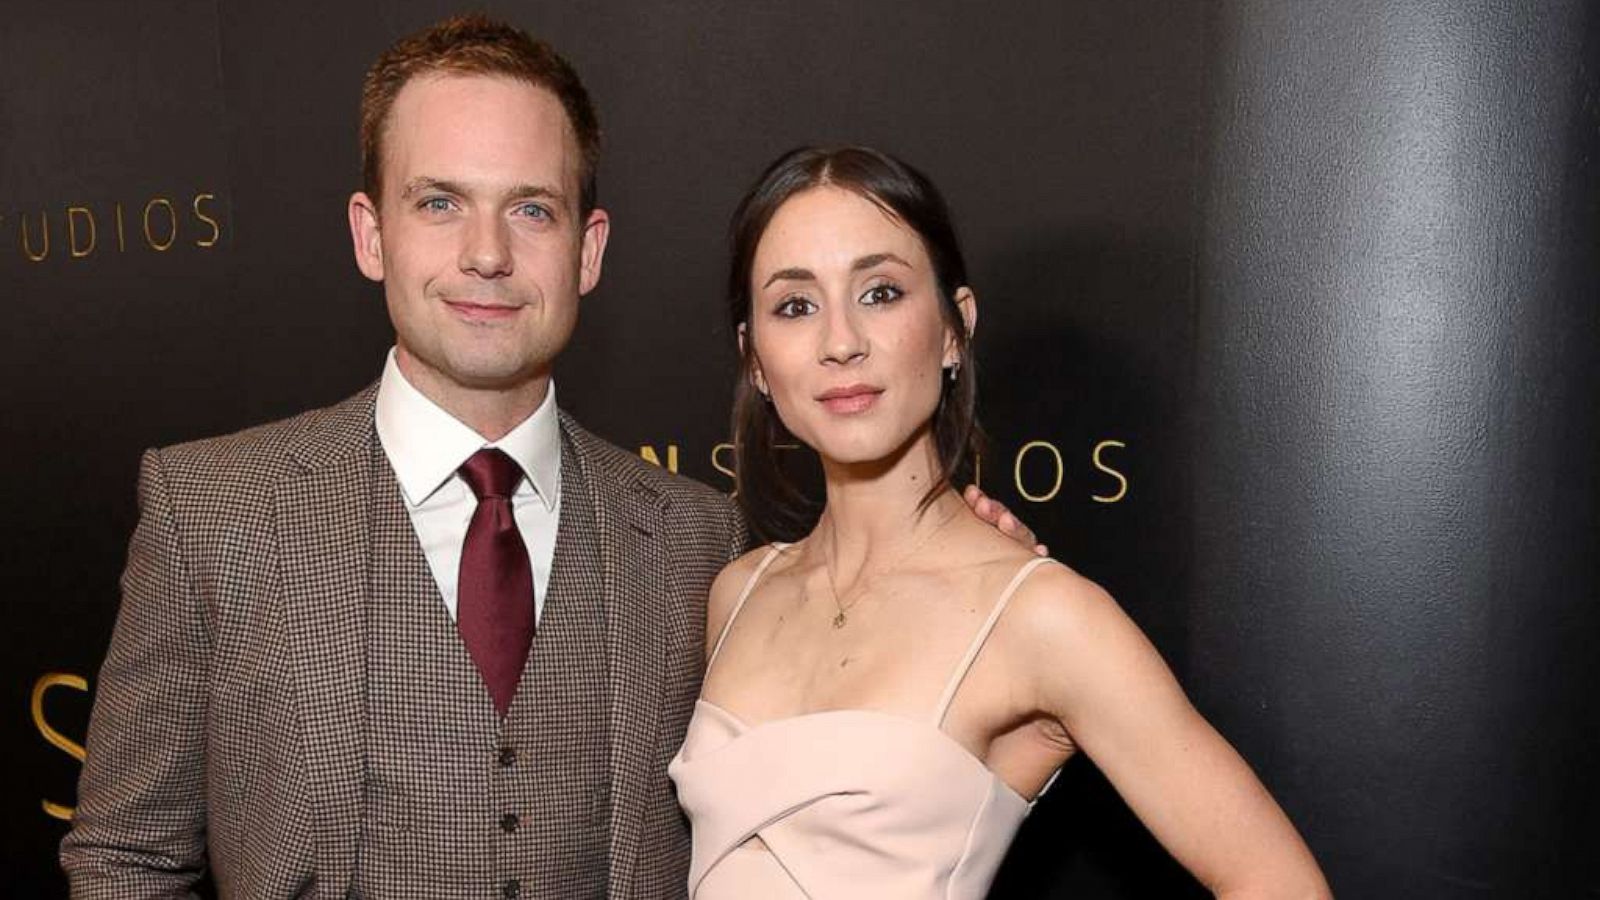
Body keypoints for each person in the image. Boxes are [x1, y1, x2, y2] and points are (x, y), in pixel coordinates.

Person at [59, 17, 1033, 900]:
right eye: (439, 203)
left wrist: (946, 567)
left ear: (588, 249)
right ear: (371, 234)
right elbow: (125, 861)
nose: (486, 254)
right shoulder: (214, 511)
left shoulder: (698, 538)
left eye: (531, 209)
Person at [670, 146, 1333, 899]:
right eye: (795, 305)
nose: (840, 341)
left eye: (881, 292)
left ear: (955, 328)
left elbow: (1277, 881)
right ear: (755, 359)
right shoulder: (737, 593)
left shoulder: (1042, 616)